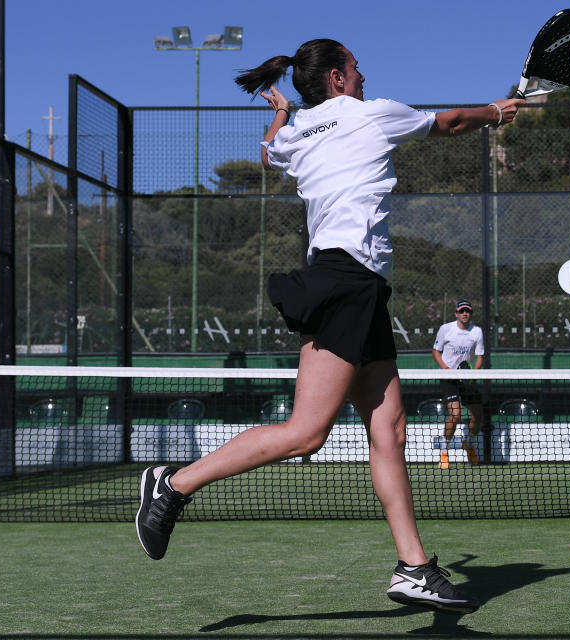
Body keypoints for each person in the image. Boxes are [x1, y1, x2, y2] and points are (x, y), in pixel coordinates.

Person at [134, 38, 523, 615]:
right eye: (358, 69)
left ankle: (414, 567)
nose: (365, 76)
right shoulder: (368, 113)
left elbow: (268, 154)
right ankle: (174, 484)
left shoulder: (297, 132)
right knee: (306, 433)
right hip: (346, 282)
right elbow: (448, 122)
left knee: (388, 429)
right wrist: (496, 112)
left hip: (358, 285)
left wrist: (281, 116)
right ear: (338, 78)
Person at [432, 300, 485, 469]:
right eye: (461, 311)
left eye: (467, 311)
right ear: (456, 313)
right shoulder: (446, 329)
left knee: (478, 416)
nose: (465, 314)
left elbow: (480, 357)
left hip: (467, 378)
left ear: (470, 314)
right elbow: (435, 351)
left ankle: (468, 444)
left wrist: (472, 374)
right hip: (449, 377)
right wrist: (446, 369)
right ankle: (444, 452)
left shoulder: (477, 332)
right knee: (455, 415)